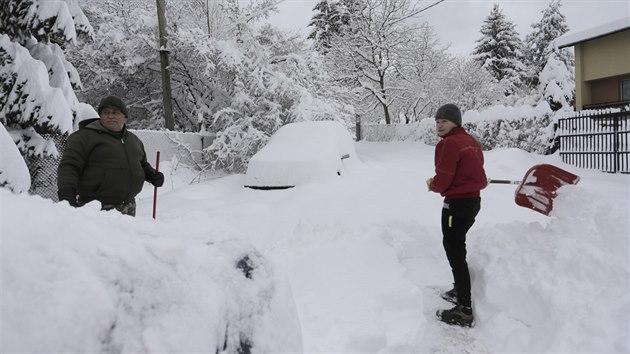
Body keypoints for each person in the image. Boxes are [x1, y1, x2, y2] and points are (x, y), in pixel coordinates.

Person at [426, 103, 487, 327]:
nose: (440, 125)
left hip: (457, 205)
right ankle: (459, 290)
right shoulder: (471, 142)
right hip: (472, 202)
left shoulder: (450, 144)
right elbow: (475, 174)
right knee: (456, 247)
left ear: (456, 122)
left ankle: (464, 309)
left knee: (454, 251)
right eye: (437, 122)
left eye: (444, 121)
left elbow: (444, 178)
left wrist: (433, 184)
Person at [57, 95, 164, 216]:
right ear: (100, 116)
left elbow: (142, 164)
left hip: (128, 207)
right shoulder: (83, 137)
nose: (110, 116)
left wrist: (151, 174)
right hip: (96, 208)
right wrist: (66, 194)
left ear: (125, 117)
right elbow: (69, 166)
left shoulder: (134, 141)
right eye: (105, 112)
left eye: (115, 112)